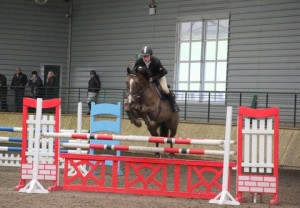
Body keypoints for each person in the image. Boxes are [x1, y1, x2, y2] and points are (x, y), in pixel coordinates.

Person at [134, 46, 179, 112]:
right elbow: (134, 71)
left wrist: (153, 78)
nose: (145, 58)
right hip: (147, 78)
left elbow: (164, 72)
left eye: (147, 56)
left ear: (150, 55)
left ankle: (174, 104)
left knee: (165, 89)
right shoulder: (139, 61)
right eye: (144, 56)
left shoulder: (156, 61)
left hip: (159, 76)